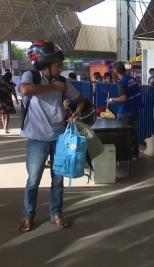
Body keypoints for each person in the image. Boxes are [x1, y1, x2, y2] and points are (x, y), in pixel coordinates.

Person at [18, 40, 86, 232]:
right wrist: (53, 88)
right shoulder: (31, 76)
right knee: (33, 180)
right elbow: (24, 89)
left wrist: (76, 112)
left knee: (58, 178)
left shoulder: (62, 82)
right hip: (37, 138)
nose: (61, 67)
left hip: (59, 137)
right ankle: (28, 215)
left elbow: (80, 99)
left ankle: (56, 213)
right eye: (57, 64)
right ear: (45, 64)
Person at [107, 61, 143, 158]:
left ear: (116, 71)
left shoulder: (121, 83)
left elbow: (123, 98)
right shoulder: (132, 79)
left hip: (125, 111)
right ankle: (134, 154)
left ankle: (124, 155)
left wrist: (112, 100)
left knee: (122, 134)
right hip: (135, 109)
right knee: (133, 132)